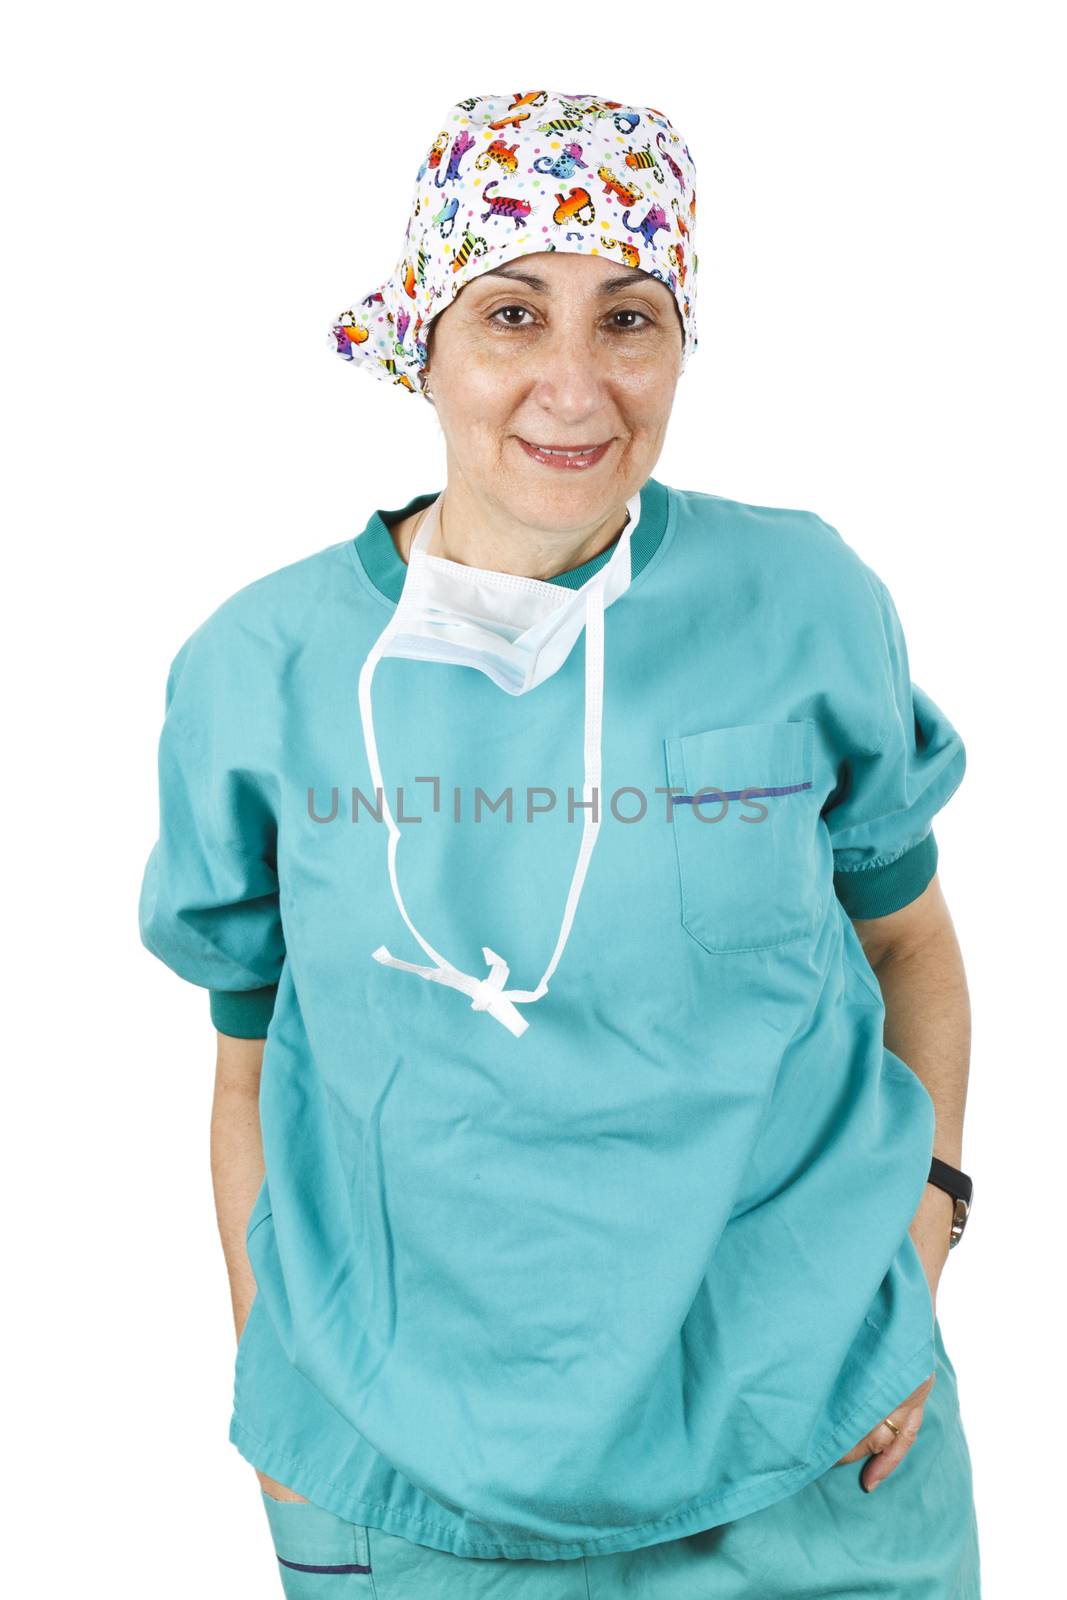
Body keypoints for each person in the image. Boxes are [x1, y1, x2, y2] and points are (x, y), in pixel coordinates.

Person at [138, 88, 981, 1596]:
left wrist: (922, 1236)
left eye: (631, 319)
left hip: (815, 1452)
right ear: (425, 345)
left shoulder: (800, 603)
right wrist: (283, 1376)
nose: (579, 392)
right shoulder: (256, 673)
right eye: (514, 316)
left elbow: (907, 939)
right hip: (415, 1488)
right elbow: (249, 1065)